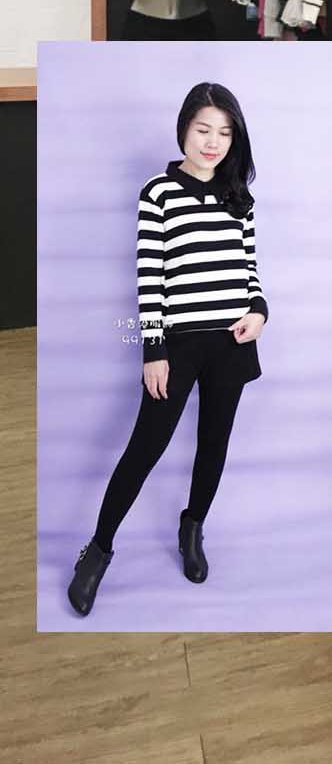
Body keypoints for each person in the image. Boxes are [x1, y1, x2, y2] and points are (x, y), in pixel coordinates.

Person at [67, 82, 269, 618]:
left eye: (224, 133)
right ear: (184, 129)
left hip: (232, 341)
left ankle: (192, 527)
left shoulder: (238, 196)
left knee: (214, 443)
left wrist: (259, 310)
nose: (213, 142)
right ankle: (98, 549)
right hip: (176, 345)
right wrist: (152, 350)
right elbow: (150, 277)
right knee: (145, 448)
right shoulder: (158, 192)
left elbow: (249, 269)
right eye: (203, 130)